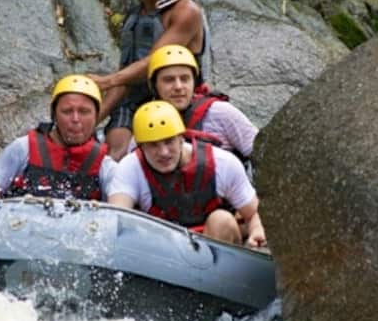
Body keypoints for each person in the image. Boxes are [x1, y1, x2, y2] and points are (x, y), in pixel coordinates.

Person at [90, 0, 209, 161]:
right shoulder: (134, 17)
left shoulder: (185, 10)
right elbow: (125, 77)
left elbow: (155, 61)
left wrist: (107, 80)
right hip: (134, 102)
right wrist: (93, 119)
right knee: (114, 155)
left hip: (176, 99)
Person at [107, 101, 267, 248]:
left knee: (221, 219)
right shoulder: (130, 166)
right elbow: (116, 215)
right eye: (153, 145)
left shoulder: (223, 162)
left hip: (214, 247)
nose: (163, 152)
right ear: (140, 146)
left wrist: (257, 232)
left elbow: (254, 213)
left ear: (181, 139)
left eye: (169, 141)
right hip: (161, 248)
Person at [0, 75, 114, 205]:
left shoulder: (105, 166)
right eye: (67, 111)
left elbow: (117, 215)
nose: (75, 119)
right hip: (19, 231)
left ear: (96, 116)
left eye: (84, 112)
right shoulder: (23, 149)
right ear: (54, 115)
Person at [146, 44, 257, 168]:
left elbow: (263, 153)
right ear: (155, 86)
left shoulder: (222, 113)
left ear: (195, 82)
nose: (178, 87)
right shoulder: (145, 121)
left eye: (185, 79)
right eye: (169, 80)